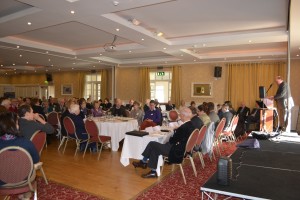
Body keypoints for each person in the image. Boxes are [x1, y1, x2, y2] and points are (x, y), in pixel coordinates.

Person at [132, 107, 195, 178]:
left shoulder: (183, 128)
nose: (179, 116)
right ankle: (152, 171)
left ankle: (143, 162)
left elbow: (172, 140)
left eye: (180, 115)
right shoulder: (192, 125)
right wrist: (175, 131)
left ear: (183, 116)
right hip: (182, 150)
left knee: (152, 143)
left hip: (175, 151)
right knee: (155, 148)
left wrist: (172, 134)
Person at [0, 111, 39, 199]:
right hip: (24, 180)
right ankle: (25, 195)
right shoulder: (26, 143)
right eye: (17, 123)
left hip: (2, 182)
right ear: (14, 126)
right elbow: (36, 160)